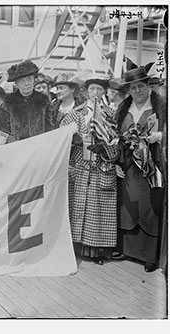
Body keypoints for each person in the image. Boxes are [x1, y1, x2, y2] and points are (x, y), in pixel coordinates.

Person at [60, 74, 119, 265]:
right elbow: (61, 132)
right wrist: (74, 139)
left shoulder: (111, 114)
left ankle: (97, 251)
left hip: (100, 166)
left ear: (104, 92)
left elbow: (118, 142)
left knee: (97, 210)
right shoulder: (77, 112)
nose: (95, 93)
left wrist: (105, 149)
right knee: (78, 207)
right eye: (92, 89)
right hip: (80, 166)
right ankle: (76, 247)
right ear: (86, 91)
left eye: (99, 89)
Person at [114, 67, 166, 273]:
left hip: (151, 164)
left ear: (148, 87)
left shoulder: (161, 107)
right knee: (128, 204)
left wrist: (159, 136)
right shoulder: (123, 110)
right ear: (129, 90)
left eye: (141, 86)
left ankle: (149, 255)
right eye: (133, 87)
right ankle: (127, 249)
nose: (137, 90)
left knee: (149, 205)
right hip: (128, 165)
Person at [0, 60, 54, 142]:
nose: (26, 83)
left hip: (39, 144)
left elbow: (50, 125)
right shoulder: (8, 101)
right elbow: (3, 129)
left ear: (33, 80)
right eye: (22, 81)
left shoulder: (43, 100)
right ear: (16, 84)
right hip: (17, 147)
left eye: (29, 79)